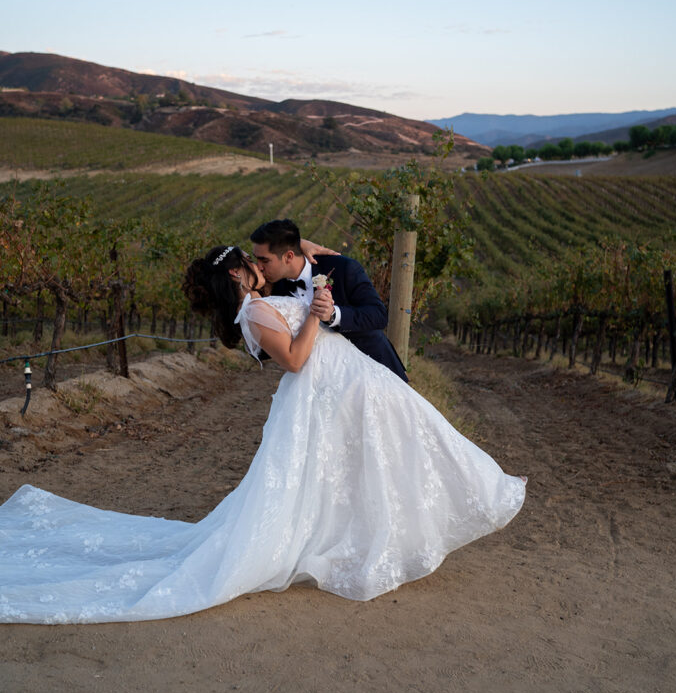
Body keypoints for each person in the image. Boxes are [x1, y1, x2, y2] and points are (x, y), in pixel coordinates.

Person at [0, 245, 525, 624]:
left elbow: (304, 268)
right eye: (252, 261)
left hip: (353, 384)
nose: (261, 264)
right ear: (237, 273)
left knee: (392, 452)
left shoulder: (263, 298)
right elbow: (296, 359)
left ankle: (389, 534)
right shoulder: (253, 312)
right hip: (327, 388)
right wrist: (318, 312)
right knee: (376, 459)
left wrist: (309, 261)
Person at [250, 218, 408, 381]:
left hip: (375, 369)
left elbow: (379, 315)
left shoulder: (342, 268)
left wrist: (333, 315)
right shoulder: (273, 290)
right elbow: (262, 352)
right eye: (256, 259)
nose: (259, 266)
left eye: (264, 260)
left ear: (289, 256)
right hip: (325, 383)